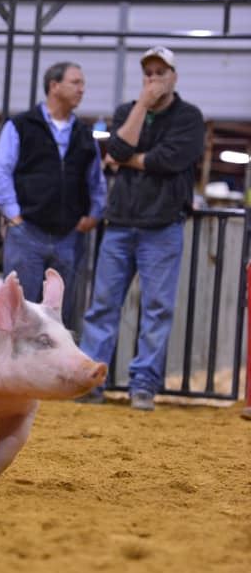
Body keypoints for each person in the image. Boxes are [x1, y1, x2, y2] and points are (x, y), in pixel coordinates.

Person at [78, 46, 206, 411]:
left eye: (160, 73)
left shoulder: (189, 117)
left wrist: (129, 159)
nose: (153, 80)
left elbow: (171, 160)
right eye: (148, 73)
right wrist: (140, 107)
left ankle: (143, 385)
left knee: (157, 308)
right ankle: (91, 381)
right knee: (102, 305)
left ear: (174, 77)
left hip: (162, 225)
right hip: (120, 224)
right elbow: (116, 148)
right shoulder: (126, 110)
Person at [0, 61, 107, 327]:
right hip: (27, 232)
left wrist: (94, 214)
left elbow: (95, 179)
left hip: (68, 237)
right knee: (20, 311)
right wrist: (14, 216)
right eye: (75, 82)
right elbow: (1, 172)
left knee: (61, 316)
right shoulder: (21, 125)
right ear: (54, 86)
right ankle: (15, 368)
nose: (82, 89)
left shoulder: (85, 134)